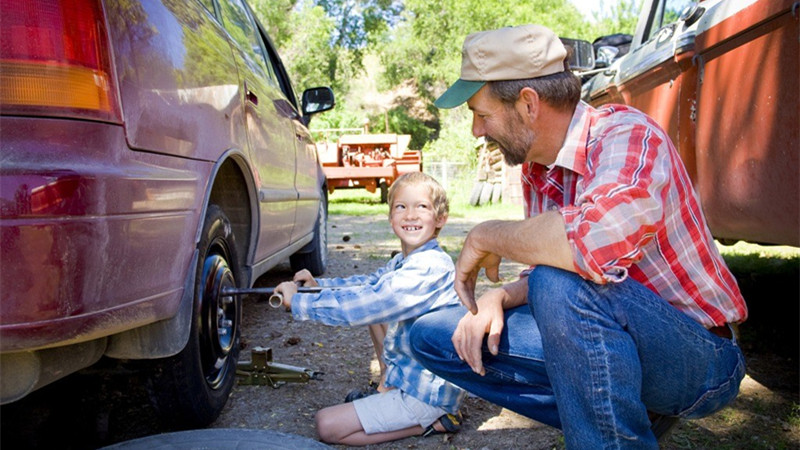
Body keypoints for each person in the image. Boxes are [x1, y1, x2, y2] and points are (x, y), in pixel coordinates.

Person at [408, 24, 747, 449]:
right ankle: (621, 419)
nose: (477, 130)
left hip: (699, 358)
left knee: (558, 282)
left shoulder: (628, 136)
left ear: (528, 104)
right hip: (615, 335)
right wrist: (501, 297)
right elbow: (557, 274)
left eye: (481, 113)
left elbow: (588, 250)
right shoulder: (538, 167)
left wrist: (485, 235)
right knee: (435, 336)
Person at [274, 172, 466, 446]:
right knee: (375, 306)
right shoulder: (406, 260)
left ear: (440, 219)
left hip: (428, 393)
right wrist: (316, 288)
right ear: (391, 218)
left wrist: (301, 302)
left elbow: (372, 303)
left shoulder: (431, 266)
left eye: (421, 206)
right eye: (401, 206)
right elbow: (367, 285)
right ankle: (389, 385)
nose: (410, 214)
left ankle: (438, 420)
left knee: (326, 425)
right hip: (413, 377)